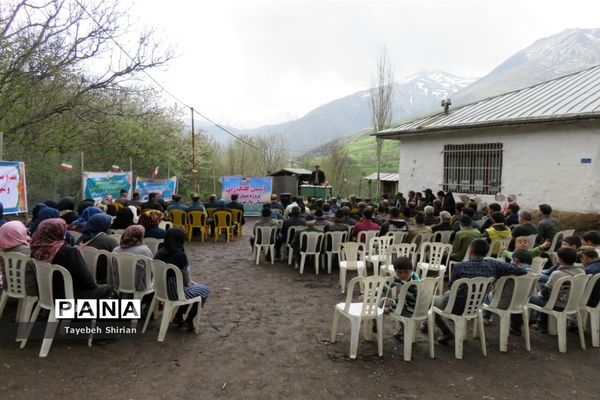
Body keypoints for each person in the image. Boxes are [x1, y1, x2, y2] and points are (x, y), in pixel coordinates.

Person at [433, 239, 528, 344]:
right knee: (445, 296)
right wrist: (497, 275)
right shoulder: (494, 264)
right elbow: (521, 270)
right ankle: (428, 325)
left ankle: (445, 331)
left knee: (431, 300)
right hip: (477, 305)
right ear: (486, 252)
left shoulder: (459, 266)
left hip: (456, 306)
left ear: (470, 251)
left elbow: (452, 286)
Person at [30, 218, 114, 299]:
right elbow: (88, 281)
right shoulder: (69, 252)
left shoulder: (35, 251)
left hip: (46, 295)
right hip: (69, 296)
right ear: (59, 231)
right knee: (109, 290)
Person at [154, 228, 211, 331]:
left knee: (190, 288)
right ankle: (188, 320)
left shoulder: (160, 252)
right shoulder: (180, 255)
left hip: (161, 290)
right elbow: (186, 278)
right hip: (175, 293)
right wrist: (190, 283)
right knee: (205, 290)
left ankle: (179, 316)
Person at [529, 247, 585, 334]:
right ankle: (541, 322)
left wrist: (538, 294)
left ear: (560, 259)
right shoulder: (581, 271)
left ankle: (540, 324)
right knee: (549, 298)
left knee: (530, 297)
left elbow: (544, 293)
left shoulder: (557, 274)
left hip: (558, 305)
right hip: (573, 303)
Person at [382, 257, 421, 341]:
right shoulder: (400, 277)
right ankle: (402, 332)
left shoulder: (413, 284)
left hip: (411, 307)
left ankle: (404, 332)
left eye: (406, 272)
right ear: (395, 271)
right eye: (399, 272)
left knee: (384, 307)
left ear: (411, 270)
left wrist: (389, 309)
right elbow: (385, 286)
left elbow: (402, 303)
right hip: (406, 302)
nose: (403, 275)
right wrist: (371, 293)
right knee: (380, 300)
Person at [112, 225, 153, 291]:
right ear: (140, 237)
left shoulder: (116, 250)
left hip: (119, 284)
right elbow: (151, 271)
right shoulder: (145, 251)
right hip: (139, 286)